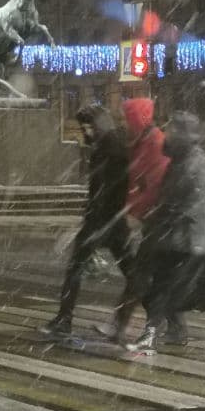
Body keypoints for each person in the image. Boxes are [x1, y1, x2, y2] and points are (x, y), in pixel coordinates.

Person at [131, 111, 205, 355]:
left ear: (183, 135)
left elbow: (195, 202)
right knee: (171, 287)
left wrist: (168, 219)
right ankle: (154, 334)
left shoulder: (193, 162)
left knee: (182, 289)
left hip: (192, 239)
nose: (166, 136)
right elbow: (171, 199)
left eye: (171, 131)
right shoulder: (180, 161)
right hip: (180, 237)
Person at [41, 102, 133, 338]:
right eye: (84, 128)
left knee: (76, 269)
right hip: (112, 220)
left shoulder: (109, 149)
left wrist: (94, 222)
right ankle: (161, 319)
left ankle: (64, 319)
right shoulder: (111, 145)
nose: (86, 132)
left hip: (104, 221)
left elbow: (104, 189)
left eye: (87, 127)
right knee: (133, 272)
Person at [106, 96, 185, 344]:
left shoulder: (154, 143)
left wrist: (138, 212)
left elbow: (154, 185)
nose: (125, 123)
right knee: (157, 277)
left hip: (158, 220)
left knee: (141, 276)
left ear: (138, 118)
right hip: (154, 220)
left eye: (129, 118)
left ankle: (120, 326)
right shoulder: (141, 142)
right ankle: (176, 326)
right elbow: (138, 183)